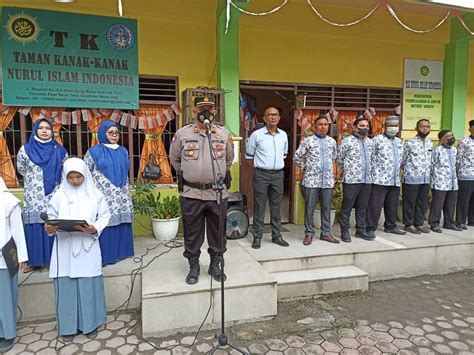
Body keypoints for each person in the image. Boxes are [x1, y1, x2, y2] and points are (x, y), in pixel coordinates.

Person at [169, 95, 234, 285]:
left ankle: (215, 265)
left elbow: (228, 160)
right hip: (192, 193)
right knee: (192, 232)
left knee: (217, 232)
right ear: (194, 111)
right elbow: (174, 159)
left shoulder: (223, 134)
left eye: (209, 108)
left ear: (214, 111)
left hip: (217, 193)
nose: (206, 112)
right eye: (201, 108)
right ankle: (194, 266)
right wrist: (191, 173)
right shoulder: (183, 134)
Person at [45, 158, 110, 342]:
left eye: (78, 176)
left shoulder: (95, 194)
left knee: (88, 286)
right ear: (65, 176)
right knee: (66, 287)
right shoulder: (58, 196)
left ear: (85, 175)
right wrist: (49, 227)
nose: (74, 180)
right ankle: (67, 327)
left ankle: (90, 324)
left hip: (86, 246)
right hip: (64, 247)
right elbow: (51, 218)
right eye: (70, 177)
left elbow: (105, 215)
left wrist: (95, 228)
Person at [17, 118, 68, 273]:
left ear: (52, 131)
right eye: (41, 128)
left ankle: (53, 261)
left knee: (53, 225)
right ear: (35, 130)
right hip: (34, 195)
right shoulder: (25, 150)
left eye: (47, 128)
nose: (45, 131)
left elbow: (65, 171)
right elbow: (21, 169)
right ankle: (34, 261)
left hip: (54, 194)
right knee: (34, 226)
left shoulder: (60, 150)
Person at [84, 120, 134, 265]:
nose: (114, 135)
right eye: (110, 132)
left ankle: (122, 252)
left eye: (116, 132)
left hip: (122, 193)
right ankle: (107, 256)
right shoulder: (94, 151)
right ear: (103, 133)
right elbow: (86, 172)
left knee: (122, 220)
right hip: (103, 193)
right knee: (106, 222)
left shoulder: (123, 150)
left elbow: (126, 168)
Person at [246, 106, 289, 249]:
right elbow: (249, 155)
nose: (273, 117)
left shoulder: (283, 135)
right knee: (259, 206)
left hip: (278, 175)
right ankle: (257, 237)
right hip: (261, 174)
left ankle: (276, 236)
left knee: (276, 206)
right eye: (270, 115)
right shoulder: (256, 135)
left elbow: (284, 154)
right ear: (264, 118)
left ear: (279, 118)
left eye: (276, 115)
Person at [293, 115, 339, 245]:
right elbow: (296, 157)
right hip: (311, 181)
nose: (323, 127)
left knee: (326, 207)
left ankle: (326, 233)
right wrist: (305, 167)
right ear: (315, 126)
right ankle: (308, 234)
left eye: (325, 124)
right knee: (310, 208)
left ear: (328, 126)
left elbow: (334, 158)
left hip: (327, 181)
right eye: (320, 124)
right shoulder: (308, 141)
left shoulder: (332, 142)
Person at [0, 177, 28, 353]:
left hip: (3, 259)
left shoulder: (8, 201)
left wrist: (22, 256)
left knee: (5, 298)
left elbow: (18, 229)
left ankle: (8, 333)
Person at [366, 116, 406, 237]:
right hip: (379, 179)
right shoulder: (377, 140)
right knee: (375, 205)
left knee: (392, 204)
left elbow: (402, 159)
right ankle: (370, 227)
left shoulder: (399, 142)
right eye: (390, 125)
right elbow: (370, 158)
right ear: (384, 126)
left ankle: (390, 226)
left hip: (394, 179)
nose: (393, 128)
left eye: (395, 126)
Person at [336, 116, 374, 242]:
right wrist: (348, 169)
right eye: (362, 126)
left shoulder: (370, 142)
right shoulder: (347, 141)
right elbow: (339, 159)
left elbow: (372, 159)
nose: (365, 128)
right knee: (347, 206)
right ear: (355, 127)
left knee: (362, 206)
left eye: (367, 126)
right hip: (352, 180)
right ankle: (344, 231)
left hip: (366, 180)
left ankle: (360, 230)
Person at [401, 119, 433, 234]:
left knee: (422, 202)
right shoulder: (410, 143)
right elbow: (403, 160)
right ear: (416, 128)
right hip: (411, 178)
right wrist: (409, 171)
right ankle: (408, 224)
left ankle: (419, 224)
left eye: (427, 127)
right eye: (422, 126)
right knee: (410, 202)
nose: (425, 129)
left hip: (425, 178)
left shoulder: (430, 143)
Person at [428, 130, 461, 233]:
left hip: (452, 182)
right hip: (440, 182)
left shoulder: (454, 150)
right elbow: (431, 165)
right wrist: (436, 178)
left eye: (452, 135)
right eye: (448, 136)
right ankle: (434, 223)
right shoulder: (437, 150)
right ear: (442, 139)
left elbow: (456, 164)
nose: (451, 137)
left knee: (451, 204)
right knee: (437, 204)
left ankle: (449, 223)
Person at [455, 119, 474, 229]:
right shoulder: (465, 141)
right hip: (466, 174)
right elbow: (459, 158)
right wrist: (459, 171)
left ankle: (472, 220)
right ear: (470, 129)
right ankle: (460, 221)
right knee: (464, 199)